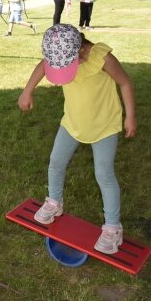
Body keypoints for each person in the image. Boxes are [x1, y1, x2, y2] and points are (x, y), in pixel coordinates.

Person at [17, 23, 137, 254]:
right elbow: (43, 66)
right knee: (56, 163)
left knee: (104, 174)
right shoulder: (61, 54)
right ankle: (54, 202)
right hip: (72, 122)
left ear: (80, 50)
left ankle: (113, 227)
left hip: (104, 126)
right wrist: (27, 90)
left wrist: (130, 116)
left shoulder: (103, 59)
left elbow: (125, 83)